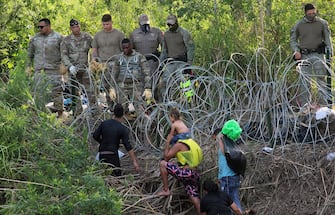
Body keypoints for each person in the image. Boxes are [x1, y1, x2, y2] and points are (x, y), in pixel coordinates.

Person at [290, 3, 333, 106]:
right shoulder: (299, 25)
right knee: (304, 82)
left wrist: (329, 52)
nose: (312, 15)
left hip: (318, 55)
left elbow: (327, 39)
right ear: (305, 13)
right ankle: (306, 107)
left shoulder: (322, 23)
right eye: (310, 14)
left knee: (321, 80)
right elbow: (293, 40)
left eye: (314, 13)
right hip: (304, 55)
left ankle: (324, 106)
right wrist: (296, 50)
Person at [26, 18, 64, 117]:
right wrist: (28, 67)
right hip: (39, 70)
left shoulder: (59, 38)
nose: (40, 29)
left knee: (57, 91)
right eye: (38, 27)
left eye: (42, 27)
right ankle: (40, 114)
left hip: (54, 69)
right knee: (38, 92)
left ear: (48, 26)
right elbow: (29, 54)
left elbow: (64, 54)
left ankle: (60, 114)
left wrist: (64, 68)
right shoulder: (35, 39)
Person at [157, 138, 203, 215]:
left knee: (162, 164)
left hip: (186, 173)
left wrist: (167, 143)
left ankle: (166, 190)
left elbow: (166, 157)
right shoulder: (191, 144)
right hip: (194, 174)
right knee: (195, 199)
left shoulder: (179, 145)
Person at [92, 103, 140, 176]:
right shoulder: (122, 128)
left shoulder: (104, 124)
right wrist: (134, 161)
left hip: (102, 154)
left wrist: (103, 142)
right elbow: (128, 146)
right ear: (123, 115)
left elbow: (95, 135)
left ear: (113, 113)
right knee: (116, 176)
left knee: (103, 175)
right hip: (112, 155)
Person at [109, 38, 152, 118]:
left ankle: (142, 128)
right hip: (122, 85)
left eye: (127, 47)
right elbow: (114, 73)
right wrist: (112, 88)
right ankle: (122, 128)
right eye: (123, 48)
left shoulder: (139, 57)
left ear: (131, 46)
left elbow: (146, 72)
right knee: (121, 110)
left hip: (136, 85)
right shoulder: (119, 58)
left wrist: (148, 88)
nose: (125, 50)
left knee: (140, 108)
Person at [61, 19, 94, 116]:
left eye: (77, 26)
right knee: (74, 92)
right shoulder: (66, 40)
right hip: (73, 70)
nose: (76, 28)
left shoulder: (87, 37)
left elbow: (95, 48)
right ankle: (77, 113)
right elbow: (64, 55)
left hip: (85, 68)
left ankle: (94, 110)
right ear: (70, 28)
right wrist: (69, 66)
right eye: (73, 27)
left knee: (91, 90)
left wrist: (93, 61)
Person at [159, 14, 195, 101]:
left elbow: (190, 48)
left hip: (182, 61)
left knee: (183, 80)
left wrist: (188, 64)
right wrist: (160, 64)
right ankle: (166, 101)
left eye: (172, 24)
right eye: (168, 24)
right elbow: (164, 50)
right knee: (164, 80)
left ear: (176, 23)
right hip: (171, 62)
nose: (170, 26)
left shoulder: (184, 33)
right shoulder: (166, 35)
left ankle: (189, 100)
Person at [212, 119, 244, 214]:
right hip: (235, 177)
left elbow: (222, 162)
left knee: (225, 203)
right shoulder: (233, 145)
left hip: (227, 178)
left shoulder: (223, 142)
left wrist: (221, 134)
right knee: (235, 200)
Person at [130, 14, 163, 101]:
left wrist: (161, 58)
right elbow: (130, 49)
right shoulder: (134, 34)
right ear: (139, 24)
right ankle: (143, 107)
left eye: (146, 24)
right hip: (140, 63)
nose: (145, 26)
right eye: (143, 24)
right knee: (141, 86)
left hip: (153, 63)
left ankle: (156, 106)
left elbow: (165, 47)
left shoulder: (156, 32)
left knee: (155, 85)